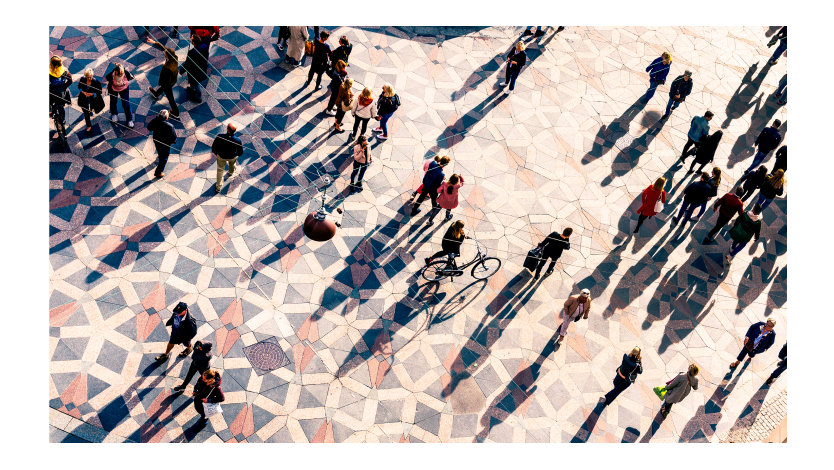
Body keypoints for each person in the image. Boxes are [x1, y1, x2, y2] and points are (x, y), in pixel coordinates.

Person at [145, 37, 180, 118]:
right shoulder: (175, 57)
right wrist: (154, 42)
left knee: (170, 98)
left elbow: (165, 81)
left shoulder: (168, 68)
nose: (164, 52)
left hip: (167, 83)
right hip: (172, 79)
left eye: (165, 53)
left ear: (167, 56)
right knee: (164, 87)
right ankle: (156, 94)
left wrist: (161, 83)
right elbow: (165, 48)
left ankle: (176, 112)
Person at [212, 122, 244, 192]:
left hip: (221, 156)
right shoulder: (237, 140)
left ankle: (218, 187)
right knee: (232, 164)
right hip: (232, 157)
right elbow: (240, 152)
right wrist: (236, 155)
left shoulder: (220, 136)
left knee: (220, 170)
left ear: (227, 129)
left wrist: (217, 153)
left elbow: (214, 147)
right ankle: (231, 172)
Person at [147, 110, 177, 178]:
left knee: (159, 150)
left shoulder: (155, 121)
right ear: (166, 117)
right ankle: (158, 172)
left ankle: (160, 155)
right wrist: (171, 142)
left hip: (156, 140)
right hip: (165, 143)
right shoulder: (170, 126)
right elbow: (174, 137)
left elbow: (149, 127)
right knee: (164, 158)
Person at [104, 62, 135, 128]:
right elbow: (107, 77)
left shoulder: (125, 73)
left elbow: (131, 77)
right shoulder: (111, 75)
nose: (121, 75)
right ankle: (114, 114)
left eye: (122, 73)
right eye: (119, 74)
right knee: (113, 101)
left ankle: (129, 120)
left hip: (124, 89)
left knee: (126, 104)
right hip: (113, 89)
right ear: (115, 72)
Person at [183, 34, 210, 102]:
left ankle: (198, 97)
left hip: (194, 70)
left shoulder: (192, 52)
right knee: (194, 82)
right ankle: (192, 89)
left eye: (191, 40)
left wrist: (181, 71)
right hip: (202, 67)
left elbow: (187, 63)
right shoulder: (204, 46)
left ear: (193, 42)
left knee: (195, 83)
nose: (190, 40)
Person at [49, 56, 73, 133]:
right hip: (62, 93)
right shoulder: (64, 70)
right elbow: (70, 81)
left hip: (52, 93)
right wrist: (64, 87)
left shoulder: (49, 72)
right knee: (61, 107)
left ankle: (51, 112)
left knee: (50, 103)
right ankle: (62, 120)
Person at [76, 68, 104, 133]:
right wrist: (83, 92)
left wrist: (92, 94)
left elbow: (99, 91)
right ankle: (89, 125)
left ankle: (91, 109)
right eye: (87, 77)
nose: (89, 78)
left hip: (92, 98)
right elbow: (79, 87)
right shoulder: (82, 79)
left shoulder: (96, 82)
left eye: (90, 77)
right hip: (84, 98)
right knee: (86, 112)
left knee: (91, 107)